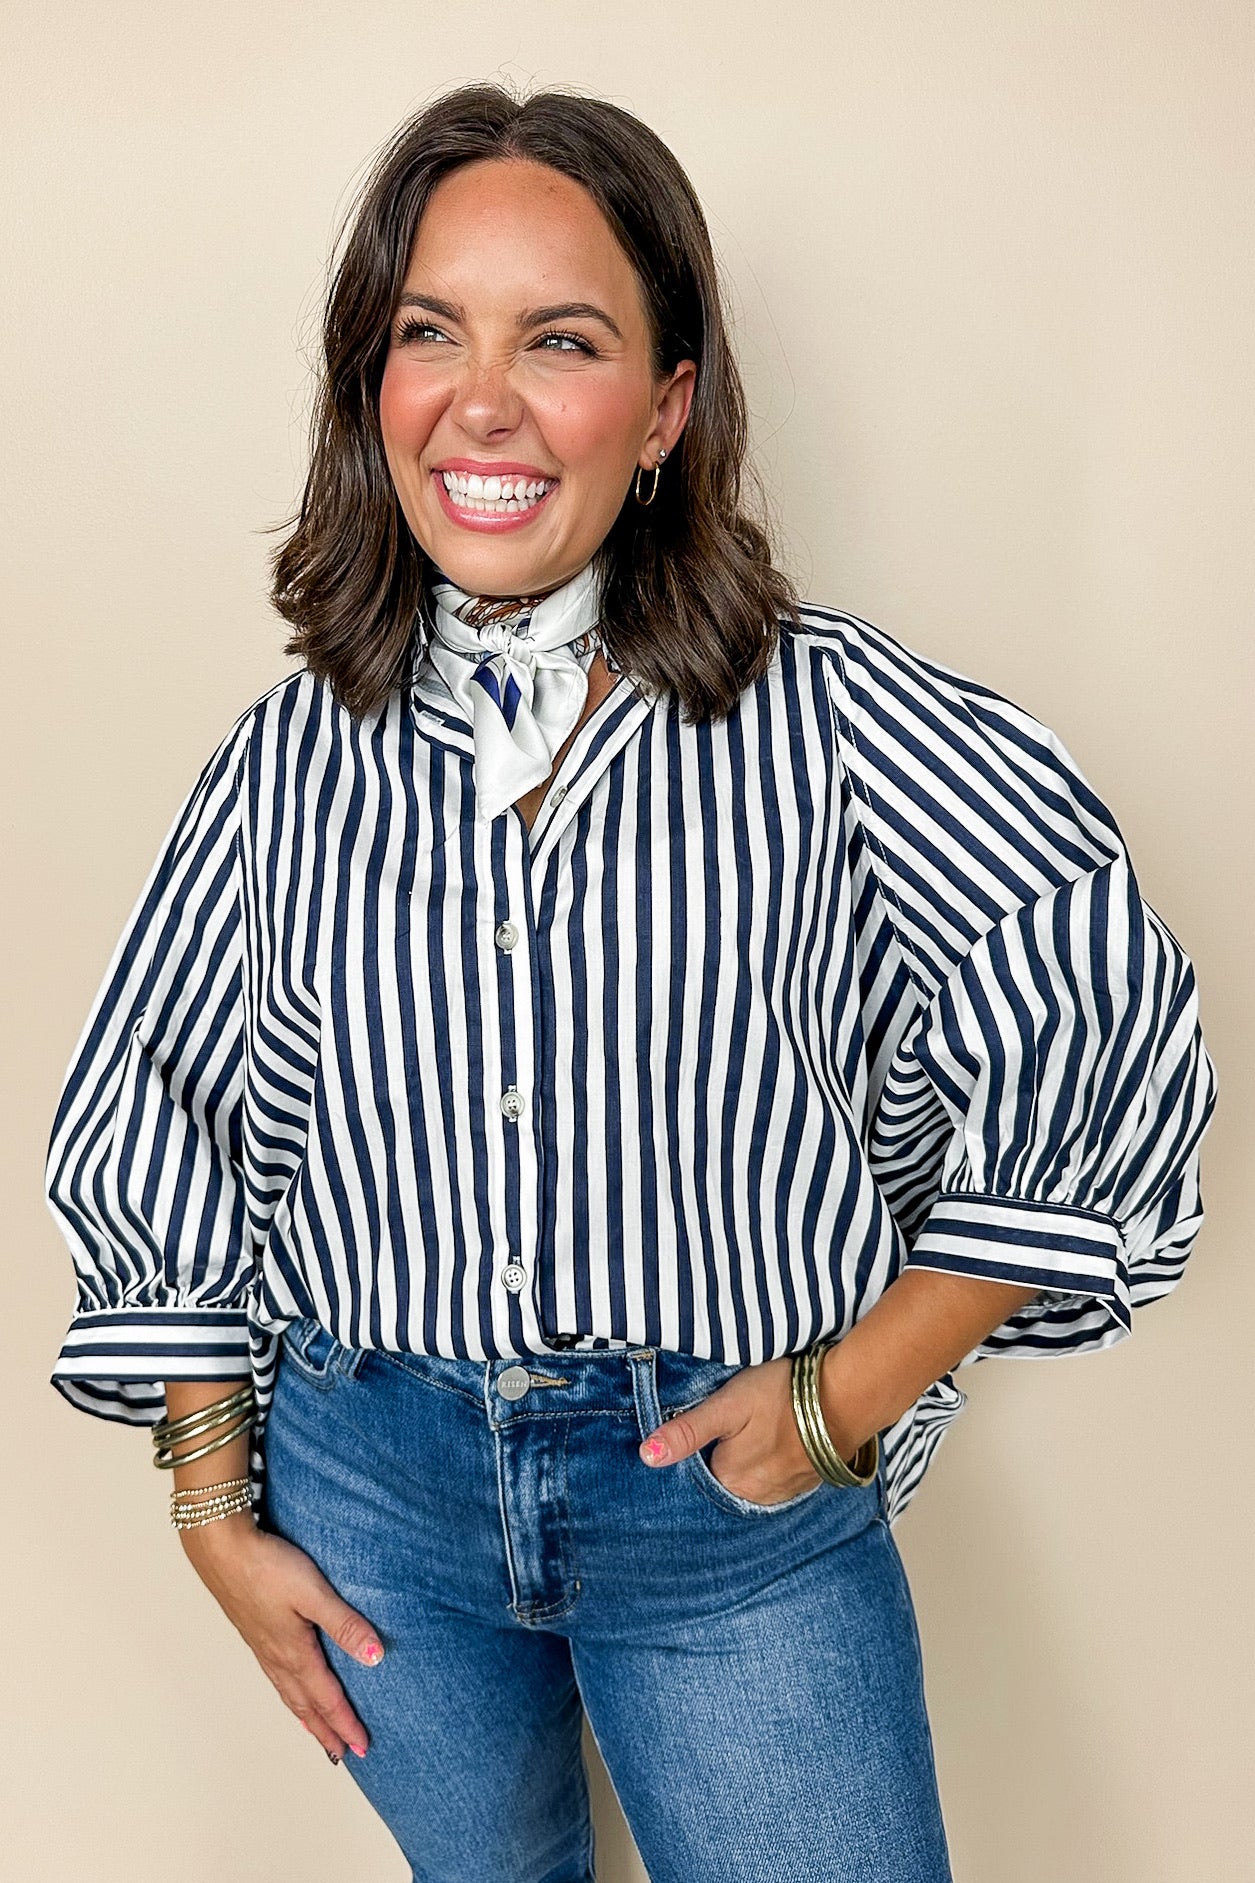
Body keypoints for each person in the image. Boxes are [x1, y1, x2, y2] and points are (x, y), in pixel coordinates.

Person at [43, 83, 1218, 1883]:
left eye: (562, 340)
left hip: (721, 1515)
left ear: (667, 407)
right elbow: (164, 1096)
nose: (482, 400)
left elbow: (1102, 1019)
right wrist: (212, 1501)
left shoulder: (836, 720)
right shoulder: (290, 756)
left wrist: (844, 1396)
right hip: (375, 1496)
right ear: (374, 382)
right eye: (430, 332)